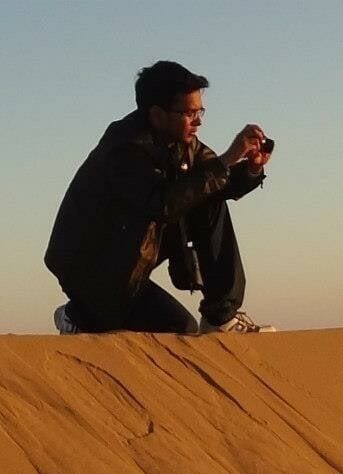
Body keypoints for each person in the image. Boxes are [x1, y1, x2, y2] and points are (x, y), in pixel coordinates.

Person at [45, 60, 274, 334]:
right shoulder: (125, 148)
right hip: (93, 269)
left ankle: (220, 316)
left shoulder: (183, 143)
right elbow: (160, 204)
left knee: (209, 196)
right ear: (157, 114)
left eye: (200, 111)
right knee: (180, 328)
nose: (198, 121)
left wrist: (250, 168)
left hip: (130, 258)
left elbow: (213, 181)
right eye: (189, 113)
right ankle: (78, 316)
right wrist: (225, 161)